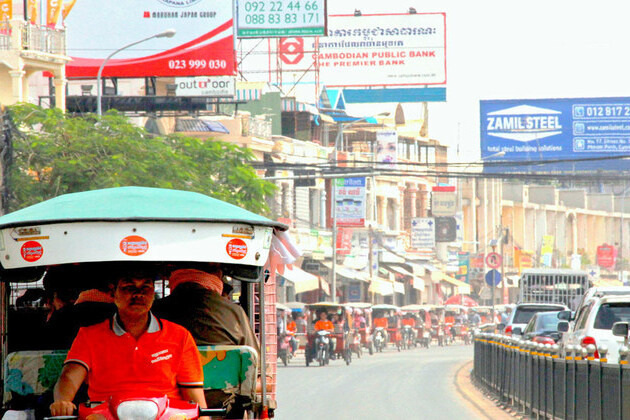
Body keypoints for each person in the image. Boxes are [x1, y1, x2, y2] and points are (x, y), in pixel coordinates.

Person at [50, 268, 207, 417]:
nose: (138, 293)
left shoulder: (180, 336)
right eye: (129, 287)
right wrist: (62, 402)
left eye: (146, 287)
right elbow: (69, 376)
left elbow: (194, 398)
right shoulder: (89, 335)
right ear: (113, 293)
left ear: (153, 293)